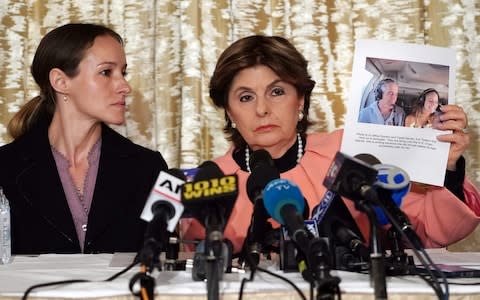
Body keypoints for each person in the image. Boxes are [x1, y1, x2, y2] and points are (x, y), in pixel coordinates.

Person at [181, 35, 480, 256]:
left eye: (276, 91)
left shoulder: (351, 149)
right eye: (245, 97)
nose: (262, 109)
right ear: (229, 112)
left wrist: (449, 166)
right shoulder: (209, 181)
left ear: (300, 100)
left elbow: (428, 229)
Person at [0, 23, 168, 255]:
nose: (125, 86)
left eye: (123, 72)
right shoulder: (6, 168)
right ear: (60, 81)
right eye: (106, 72)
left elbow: (162, 260)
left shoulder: (149, 168)